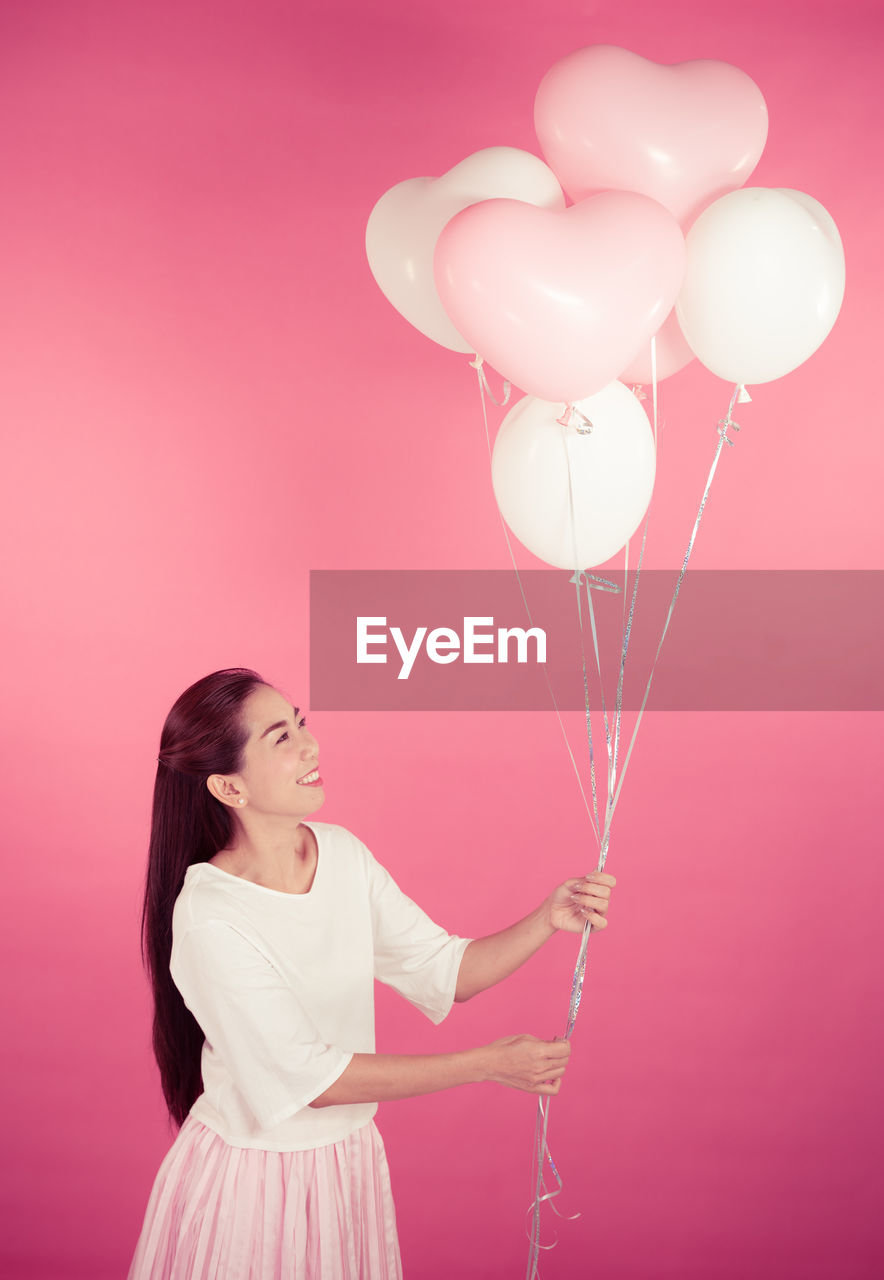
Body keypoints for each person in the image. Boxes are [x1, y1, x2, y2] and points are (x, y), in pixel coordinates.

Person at [128, 668, 616, 1279]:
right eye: (281, 738)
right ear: (228, 787)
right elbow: (312, 1079)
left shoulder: (343, 855)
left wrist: (547, 917)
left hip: (347, 1164)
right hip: (254, 1181)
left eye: (301, 723)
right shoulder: (210, 914)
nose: (311, 746)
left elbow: (444, 970)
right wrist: (487, 1064)